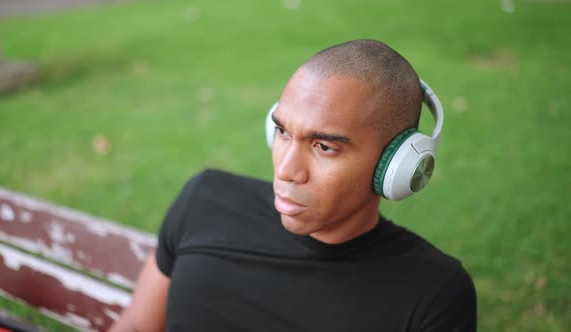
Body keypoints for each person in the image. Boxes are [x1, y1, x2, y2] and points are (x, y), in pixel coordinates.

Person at [109, 39, 476, 332]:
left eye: (324, 147)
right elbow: (137, 325)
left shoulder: (432, 295)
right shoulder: (205, 199)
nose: (286, 171)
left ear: (395, 167)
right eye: (283, 131)